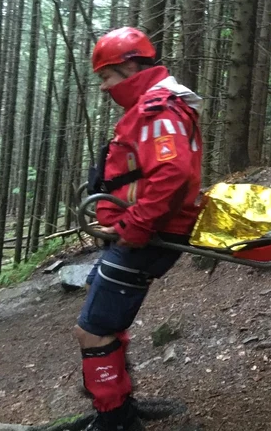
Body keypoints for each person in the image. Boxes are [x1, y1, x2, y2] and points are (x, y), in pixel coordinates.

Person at [76, 27, 203, 431]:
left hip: (151, 235)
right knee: (105, 322)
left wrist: (136, 224)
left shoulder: (157, 108)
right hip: (143, 232)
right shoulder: (154, 105)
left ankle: (114, 420)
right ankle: (120, 409)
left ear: (130, 67)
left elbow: (173, 170)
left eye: (107, 77)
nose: (104, 87)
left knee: (93, 330)